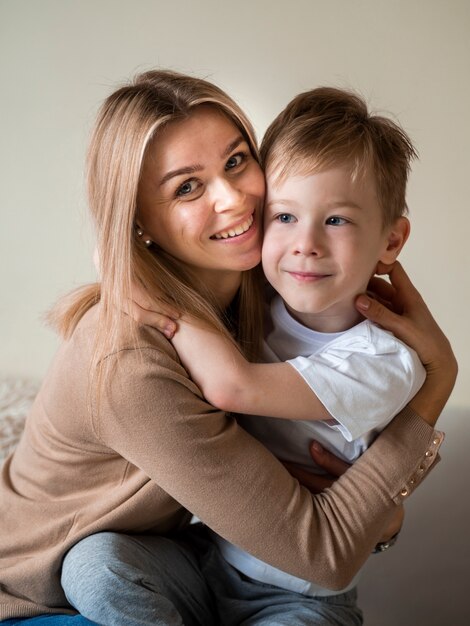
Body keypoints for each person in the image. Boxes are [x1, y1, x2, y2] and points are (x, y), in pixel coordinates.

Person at [0, 70, 456, 626]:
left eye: (237, 160)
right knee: (100, 567)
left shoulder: (266, 291)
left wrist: (378, 518)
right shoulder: (131, 359)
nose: (233, 198)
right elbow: (325, 554)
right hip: (43, 598)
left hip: (227, 570)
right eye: (187, 187)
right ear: (139, 222)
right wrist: (436, 385)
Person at [164, 87, 427, 602]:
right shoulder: (255, 299)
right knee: (97, 563)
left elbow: (232, 388)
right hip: (209, 552)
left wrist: (154, 293)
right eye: (284, 217)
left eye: (336, 220)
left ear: (390, 242)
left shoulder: (386, 362)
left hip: (299, 589)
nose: (306, 242)